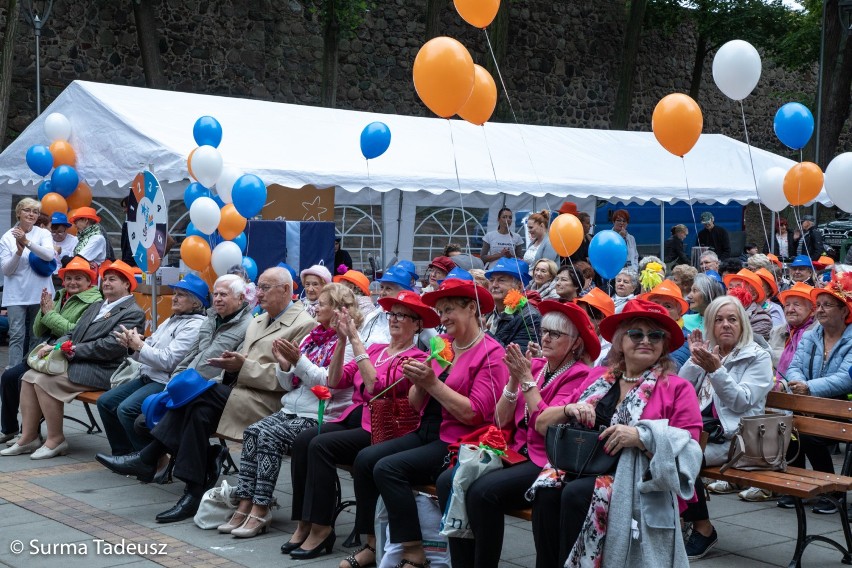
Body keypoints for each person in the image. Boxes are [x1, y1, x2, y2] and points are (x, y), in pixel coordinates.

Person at [95, 267, 315, 522]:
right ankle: (193, 490)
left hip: (266, 402)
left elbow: (291, 378)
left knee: (198, 395)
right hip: (236, 392)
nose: (258, 293)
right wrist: (231, 368)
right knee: (198, 411)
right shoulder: (258, 320)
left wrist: (242, 367)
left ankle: (149, 456)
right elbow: (205, 358)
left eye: (265, 288)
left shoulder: (303, 324)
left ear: (286, 290)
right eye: (259, 287)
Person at [530, 299, 703, 567]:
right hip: (583, 463)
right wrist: (570, 408)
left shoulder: (678, 388)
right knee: (546, 490)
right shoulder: (598, 378)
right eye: (636, 334)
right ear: (621, 342)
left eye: (655, 335)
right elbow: (542, 424)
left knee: (576, 494)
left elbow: (690, 449)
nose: (646, 340)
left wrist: (641, 437)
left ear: (664, 345)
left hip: (637, 476)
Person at [351, 278, 508, 568]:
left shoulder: (490, 354)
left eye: (448, 309)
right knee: (366, 459)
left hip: (460, 442)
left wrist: (431, 383)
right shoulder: (443, 344)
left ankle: (411, 548)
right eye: (440, 310)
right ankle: (376, 542)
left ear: (471, 308)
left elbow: (475, 415)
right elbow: (414, 403)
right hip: (429, 430)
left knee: (388, 468)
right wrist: (419, 381)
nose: (443, 318)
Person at [436, 301, 599, 568]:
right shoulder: (536, 366)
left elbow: (542, 423)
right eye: (544, 331)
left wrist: (524, 378)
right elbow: (500, 420)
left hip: (546, 460)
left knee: (483, 493)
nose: (545, 337)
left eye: (555, 334)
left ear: (576, 344)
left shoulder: (580, 375)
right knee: (448, 480)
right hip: (515, 452)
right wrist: (514, 379)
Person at [284, 290, 436, 563]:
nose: (395, 320)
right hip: (361, 418)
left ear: (417, 324)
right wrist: (342, 341)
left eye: (403, 316)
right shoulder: (376, 349)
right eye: (392, 314)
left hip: (387, 428)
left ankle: (324, 527)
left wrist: (355, 338)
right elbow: (335, 381)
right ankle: (304, 522)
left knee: (321, 446)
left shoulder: (416, 358)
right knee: (304, 440)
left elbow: (375, 387)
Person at [221, 283, 364, 539]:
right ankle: (245, 503)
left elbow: (326, 383)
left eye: (321, 304)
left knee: (268, 436)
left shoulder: (351, 342)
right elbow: (288, 384)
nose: (315, 308)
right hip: (293, 409)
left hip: (322, 414)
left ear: (337, 309)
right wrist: (285, 365)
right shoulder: (313, 336)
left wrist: (298, 361)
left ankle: (261, 507)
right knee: (252, 431)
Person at [2, 261, 145, 459]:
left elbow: (110, 347)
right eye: (105, 279)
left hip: (106, 369)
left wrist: (71, 349)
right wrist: (54, 346)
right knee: (28, 376)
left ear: (127, 284)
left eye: (113, 279)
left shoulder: (133, 312)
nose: (106, 283)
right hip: (82, 362)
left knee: (42, 380)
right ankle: (28, 438)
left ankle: (56, 440)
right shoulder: (98, 305)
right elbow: (72, 332)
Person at [678, 295, 773, 557]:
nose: (726, 325)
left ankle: (703, 528)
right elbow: (681, 391)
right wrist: (694, 359)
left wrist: (717, 370)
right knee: (653, 449)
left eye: (732, 319)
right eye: (718, 320)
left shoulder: (758, 356)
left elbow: (741, 402)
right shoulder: (711, 352)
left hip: (737, 439)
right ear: (710, 325)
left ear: (742, 324)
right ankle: (674, 522)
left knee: (681, 457)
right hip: (700, 433)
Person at [96, 274, 209, 456]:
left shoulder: (195, 325)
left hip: (165, 381)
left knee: (127, 409)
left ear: (196, 303)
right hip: (148, 375)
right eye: (175, 293)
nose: (174, 297)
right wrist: (133, 344)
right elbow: (152, 349)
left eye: (181, 294)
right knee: (105, 402)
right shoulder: (173, 319)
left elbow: (168, 361)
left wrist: (139, 345)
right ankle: (123, 453)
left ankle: (149, 459)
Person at [0, 256, 102, 445]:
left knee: (23, 378)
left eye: (79, 278)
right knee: (8, 377)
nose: (72, 282)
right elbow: (38, 331)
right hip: (47, 350)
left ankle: (29, 433)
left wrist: (50, 314)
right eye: (69, 278)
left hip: (66, 355)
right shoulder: (60, 295)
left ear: (89, 281)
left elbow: (76, 333)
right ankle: (10, 429)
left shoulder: (94, 302)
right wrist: (43, 311)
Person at [779, 273, 852, 514]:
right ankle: (797, 485)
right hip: (809, 403)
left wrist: (810, 387)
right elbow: (794, 366)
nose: (819, 310)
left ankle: (831, 491)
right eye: (818, 305)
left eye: (827, 305)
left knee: (809, 433)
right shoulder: (811, 335)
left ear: (844, 311)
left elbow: (845, 378)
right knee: (790, 426)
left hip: (841, 407)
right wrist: (798, 381)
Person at [0, 198, 56, 368]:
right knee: (16, 334)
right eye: (27, 210)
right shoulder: (7, 237)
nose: (32, 214)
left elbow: (49, 255)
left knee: (36, 335)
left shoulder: (43, 233)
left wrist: (27, 242)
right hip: (16, 294)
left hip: (40, 292)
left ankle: (30, 369)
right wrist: (18, 252)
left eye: (35, 211)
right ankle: (12, 370)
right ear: (18, 213)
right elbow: (6, 271)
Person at [486, 258, 541, 352]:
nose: (494, 285)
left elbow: (517, 357)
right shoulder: (487, 311)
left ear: (519, 286)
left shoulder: (531, 318)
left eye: (501, 280)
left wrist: (484, 332)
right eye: (491, 280)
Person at [768, 282, 816, 387]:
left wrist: (784, 385)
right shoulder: (776, 331)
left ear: (812, 311)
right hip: (772, 390)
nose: (790, 310)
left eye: (796, 305)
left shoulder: (817, 335)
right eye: (787, 305)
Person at [641, 279, 691, 369]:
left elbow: (674, 367)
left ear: (679, 314)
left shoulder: (687, 338)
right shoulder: (634, 328)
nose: (660, 309)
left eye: (668, 306)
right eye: (655, 303)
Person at [723, 269, 773, 340]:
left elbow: (746, 343)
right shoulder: (721, 313)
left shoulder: (762, 319)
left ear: (753, 295)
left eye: (738, 287)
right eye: (730, 288)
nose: (731, 292)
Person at [575, 286, 615, 365]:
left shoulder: (608, 353)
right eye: (576, 314)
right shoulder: (573, 339)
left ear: (600, 319)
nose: (576, 320)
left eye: (582, 316)